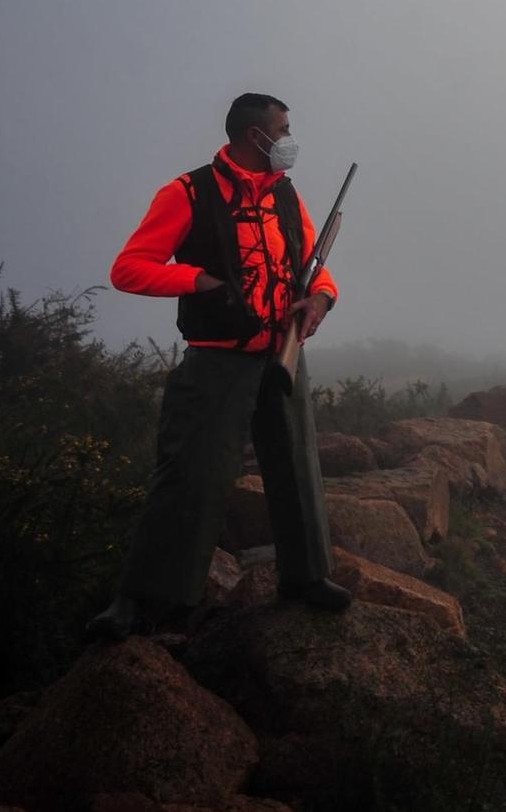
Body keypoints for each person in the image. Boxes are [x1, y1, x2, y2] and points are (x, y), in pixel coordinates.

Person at [85, 93, 348, 640]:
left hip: (282, 356)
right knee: (188, 478)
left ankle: (306, 579)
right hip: (217, 361)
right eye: (284, 128)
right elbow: (129, 269)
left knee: (297, 470)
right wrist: (197, 281)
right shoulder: (188, 192)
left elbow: (313, 267)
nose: (290, 138)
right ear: (255, 136)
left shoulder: (285, 195)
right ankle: (144, 601)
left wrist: (319, 300)